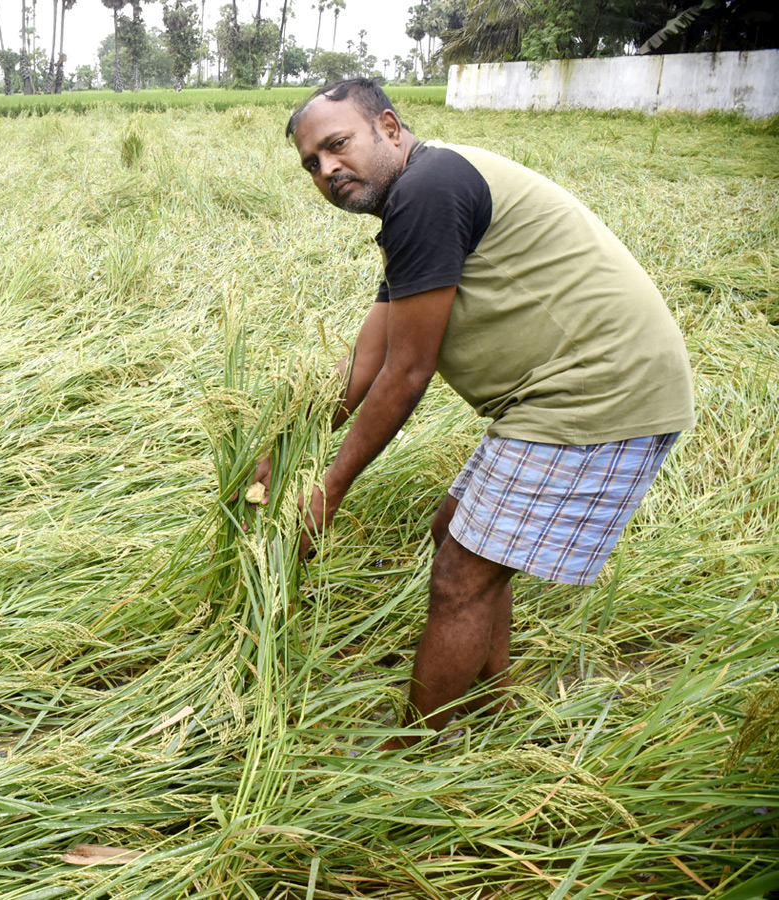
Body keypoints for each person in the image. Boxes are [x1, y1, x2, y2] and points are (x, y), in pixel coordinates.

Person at [255, 78, 695, 750]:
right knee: (456, 532)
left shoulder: (427, 191)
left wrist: (328, 492)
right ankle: (491, 707)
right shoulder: (419, 200)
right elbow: (366, 361)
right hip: (565, 391)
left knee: (461, 574)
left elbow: (407, 372)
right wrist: (282, 448)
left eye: (338, 144)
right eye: (312, 163)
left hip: (597, 390)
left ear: (389, 128)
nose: (328, 169)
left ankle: (412, 754)